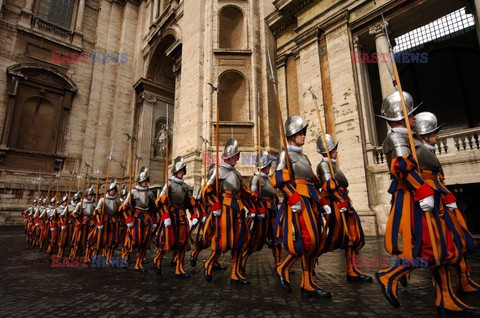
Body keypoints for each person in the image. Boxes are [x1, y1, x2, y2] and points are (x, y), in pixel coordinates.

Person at [374, 91, 479, 317]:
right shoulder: (396, 138)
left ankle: (446, 298)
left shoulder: (409, 138)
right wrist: (423, 191)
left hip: (426, 195)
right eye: (411, 114)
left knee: (442, 246)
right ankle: (389, 275)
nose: (414, 119)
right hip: (414, 198)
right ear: (403, 116)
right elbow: (402, 167)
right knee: (430, 247)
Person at [415, 112, 479, 295]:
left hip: (442, 199)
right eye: (434, 133)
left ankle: (464, 279)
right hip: (432, 202)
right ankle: (395, 274)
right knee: (439, 247)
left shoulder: (428, 152)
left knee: (460, 240)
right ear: (426, 135)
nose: (438, 136)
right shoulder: (420, 153)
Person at [272, 115, 330, 298]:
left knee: (316, 241)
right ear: (292, 135)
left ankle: (307, 282)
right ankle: (284, 267)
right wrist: (294, 198)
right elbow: (279, 179)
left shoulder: (303, 156)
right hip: (299, 201)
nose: (304, 136)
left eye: (304, 133)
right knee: (308, 240)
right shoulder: (285, 154)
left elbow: (311, 178)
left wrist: (321, 184)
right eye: (301, 133)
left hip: (311, 199)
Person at [316, 134, 371, 282]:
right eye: (334, 149)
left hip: (344, 202)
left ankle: (352, 269)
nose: (337, 151)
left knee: (352, 237)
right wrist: (341, 203)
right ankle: (309, 263)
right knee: (335, 237)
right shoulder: (324, 165)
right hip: (336, 204)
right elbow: (329, 186)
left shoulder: (333, 164)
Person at [201, 139, 257, 284]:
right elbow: (207, 190)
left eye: (237, 157)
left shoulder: (237, 174)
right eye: (234, 157)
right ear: (228, 156)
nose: (236, 159)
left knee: (239, 241)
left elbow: (244, 192)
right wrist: (215, 205)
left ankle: (235, 272)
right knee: (223, 241)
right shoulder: (217, 170)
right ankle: (209, 263)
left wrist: (254, 199)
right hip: (224, 208)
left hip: (238, 208)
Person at [154, 156, 196, 278]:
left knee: (182, 243)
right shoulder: (168, 185)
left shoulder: (185, 186)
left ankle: (179, 268)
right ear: (175, 172)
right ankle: (157, 259)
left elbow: (190, 201)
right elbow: (160, 202)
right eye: (180, 171)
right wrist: (165, 216)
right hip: (171, 216)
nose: (182, 173)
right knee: (169, 241)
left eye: (183, 171)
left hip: (182, 216)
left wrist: (194, 215)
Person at [240, 151, 281, 274]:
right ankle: (242, 260)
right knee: (256, 239)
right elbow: (252, 195)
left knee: (276, 237)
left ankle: (278, 263)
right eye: (268, 166)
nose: (270, 168)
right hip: (261, 213)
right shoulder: (255, 179)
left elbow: (273, 195)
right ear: (264, 166)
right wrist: (257, 207)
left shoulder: (267, 179)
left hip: (272, 212)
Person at [121, 167, 157, 272]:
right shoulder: (133, 192)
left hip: (147, 218)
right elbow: (125, 207)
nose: (145, 182)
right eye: (143, 181)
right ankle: (125, 257)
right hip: (136, 218)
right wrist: (128, 220)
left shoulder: (150, 193)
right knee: (134, 241)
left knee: (145, 242)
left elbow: (153, 208)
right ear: (140, 181)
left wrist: (154, 221)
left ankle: (139, 263)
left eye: (146, 180)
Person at [69, 187, 96, 261]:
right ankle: (72, 254)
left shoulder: (94, 204)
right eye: (89, 195)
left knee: (90, 240)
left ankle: (87, 256)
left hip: (91, 223)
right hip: (82, 223)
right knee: (78, 239)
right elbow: (73, 214)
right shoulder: (80, 204)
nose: (91, 196)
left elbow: (96, 213)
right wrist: (78, 218)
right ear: (86, 195)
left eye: (92, 195)